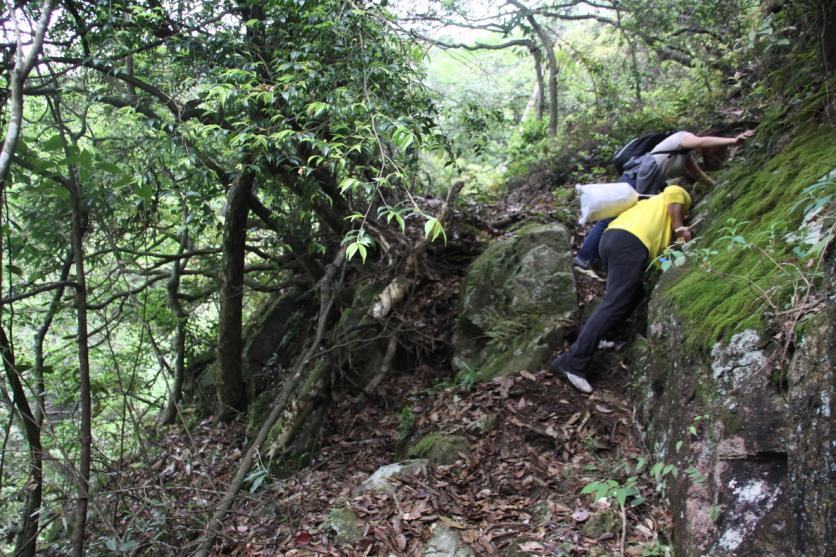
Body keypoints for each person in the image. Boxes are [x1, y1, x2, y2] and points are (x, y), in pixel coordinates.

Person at [550, 185, 693, 393]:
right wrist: (681, 227)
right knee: (615, 301)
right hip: (630, 241)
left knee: (634, 293)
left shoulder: (655, 217)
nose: (684, 215)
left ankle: (603, 335)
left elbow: (659, 263)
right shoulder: (672, 196)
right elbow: (673, 193)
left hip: (613, 239)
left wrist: (678, 246)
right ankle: (572, 362)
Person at [573, 129, 754, 270]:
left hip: (646, 183)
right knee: (610, 219)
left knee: (625, 221)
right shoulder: (683, 137)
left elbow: (699, 176)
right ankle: (584, 258)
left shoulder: (684, 156)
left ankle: (600, 260)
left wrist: (719, 187)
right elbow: (700, 141)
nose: (704, 150)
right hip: (636, 178)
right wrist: (733, 140)